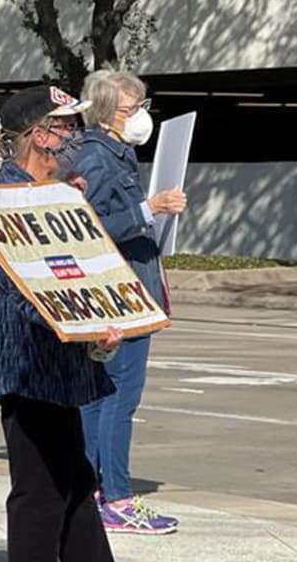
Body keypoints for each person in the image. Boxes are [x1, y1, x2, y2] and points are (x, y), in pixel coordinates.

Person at [0, 85, 123, 562]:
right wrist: (79, 323)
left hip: (61, 359)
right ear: (40, 135)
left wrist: (99, 321)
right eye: (68, 127)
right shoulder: (3, 195)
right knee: (40, 489)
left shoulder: (58, 190)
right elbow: (9, 280)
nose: (76, 136)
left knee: (74, 481)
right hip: (26, 361)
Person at [76, 69, 188, 535]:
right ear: (105, 113)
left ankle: (90, 492)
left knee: (100, 397)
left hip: (124, 288)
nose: (141, 116)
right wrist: (148, 209)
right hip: (121, 294)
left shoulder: (113, 154)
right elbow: (89, 227)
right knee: (118, 397)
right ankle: (116, 497)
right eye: (131, 108)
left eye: (142, 106)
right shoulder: (97, 157)